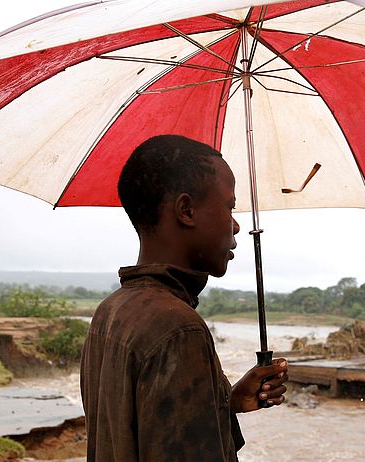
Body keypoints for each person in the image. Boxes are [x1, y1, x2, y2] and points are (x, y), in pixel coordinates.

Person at [80, 135, 288, 461]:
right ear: (186, 210)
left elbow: (137, 428)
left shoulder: (113, 309)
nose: (235, 226)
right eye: (229, 207)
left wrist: (224, 400)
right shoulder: (178, 328)